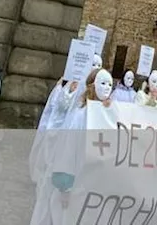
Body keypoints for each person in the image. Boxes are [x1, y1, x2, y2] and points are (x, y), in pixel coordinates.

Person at [32, 68, 114, 225]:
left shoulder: (105, 115)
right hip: (74, 184)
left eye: (110, 84)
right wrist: (65, 186)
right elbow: (67, 150)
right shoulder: (80, 115)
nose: (106, 88)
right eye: (102, 83)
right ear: (91, 85)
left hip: (93, 187)